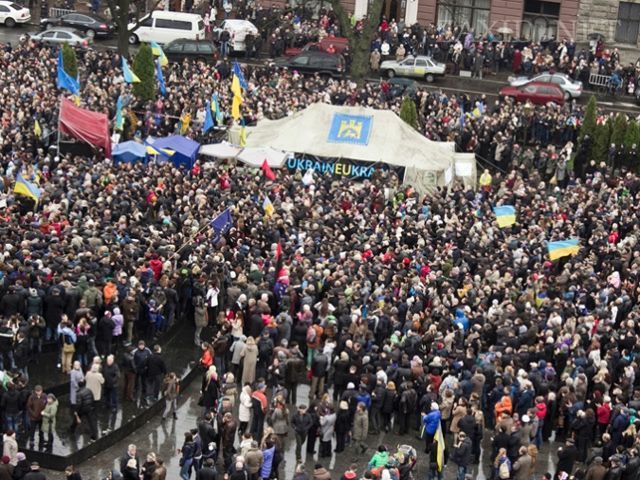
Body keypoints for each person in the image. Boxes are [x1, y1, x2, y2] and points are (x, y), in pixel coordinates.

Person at [26, 385, 47, 449]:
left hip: (41, 417)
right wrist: (33, 414)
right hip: (33, 418)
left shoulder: (44, 396)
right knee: (32, 429)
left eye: (39, 391)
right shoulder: (31, 397)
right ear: (35, 391)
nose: (38, 392)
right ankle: (31, 440)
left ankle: (42, 439)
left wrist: (45, 411)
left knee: (41, 430)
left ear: (42, 391)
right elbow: (28, 407)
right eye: (37, 391)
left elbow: (47, 404)